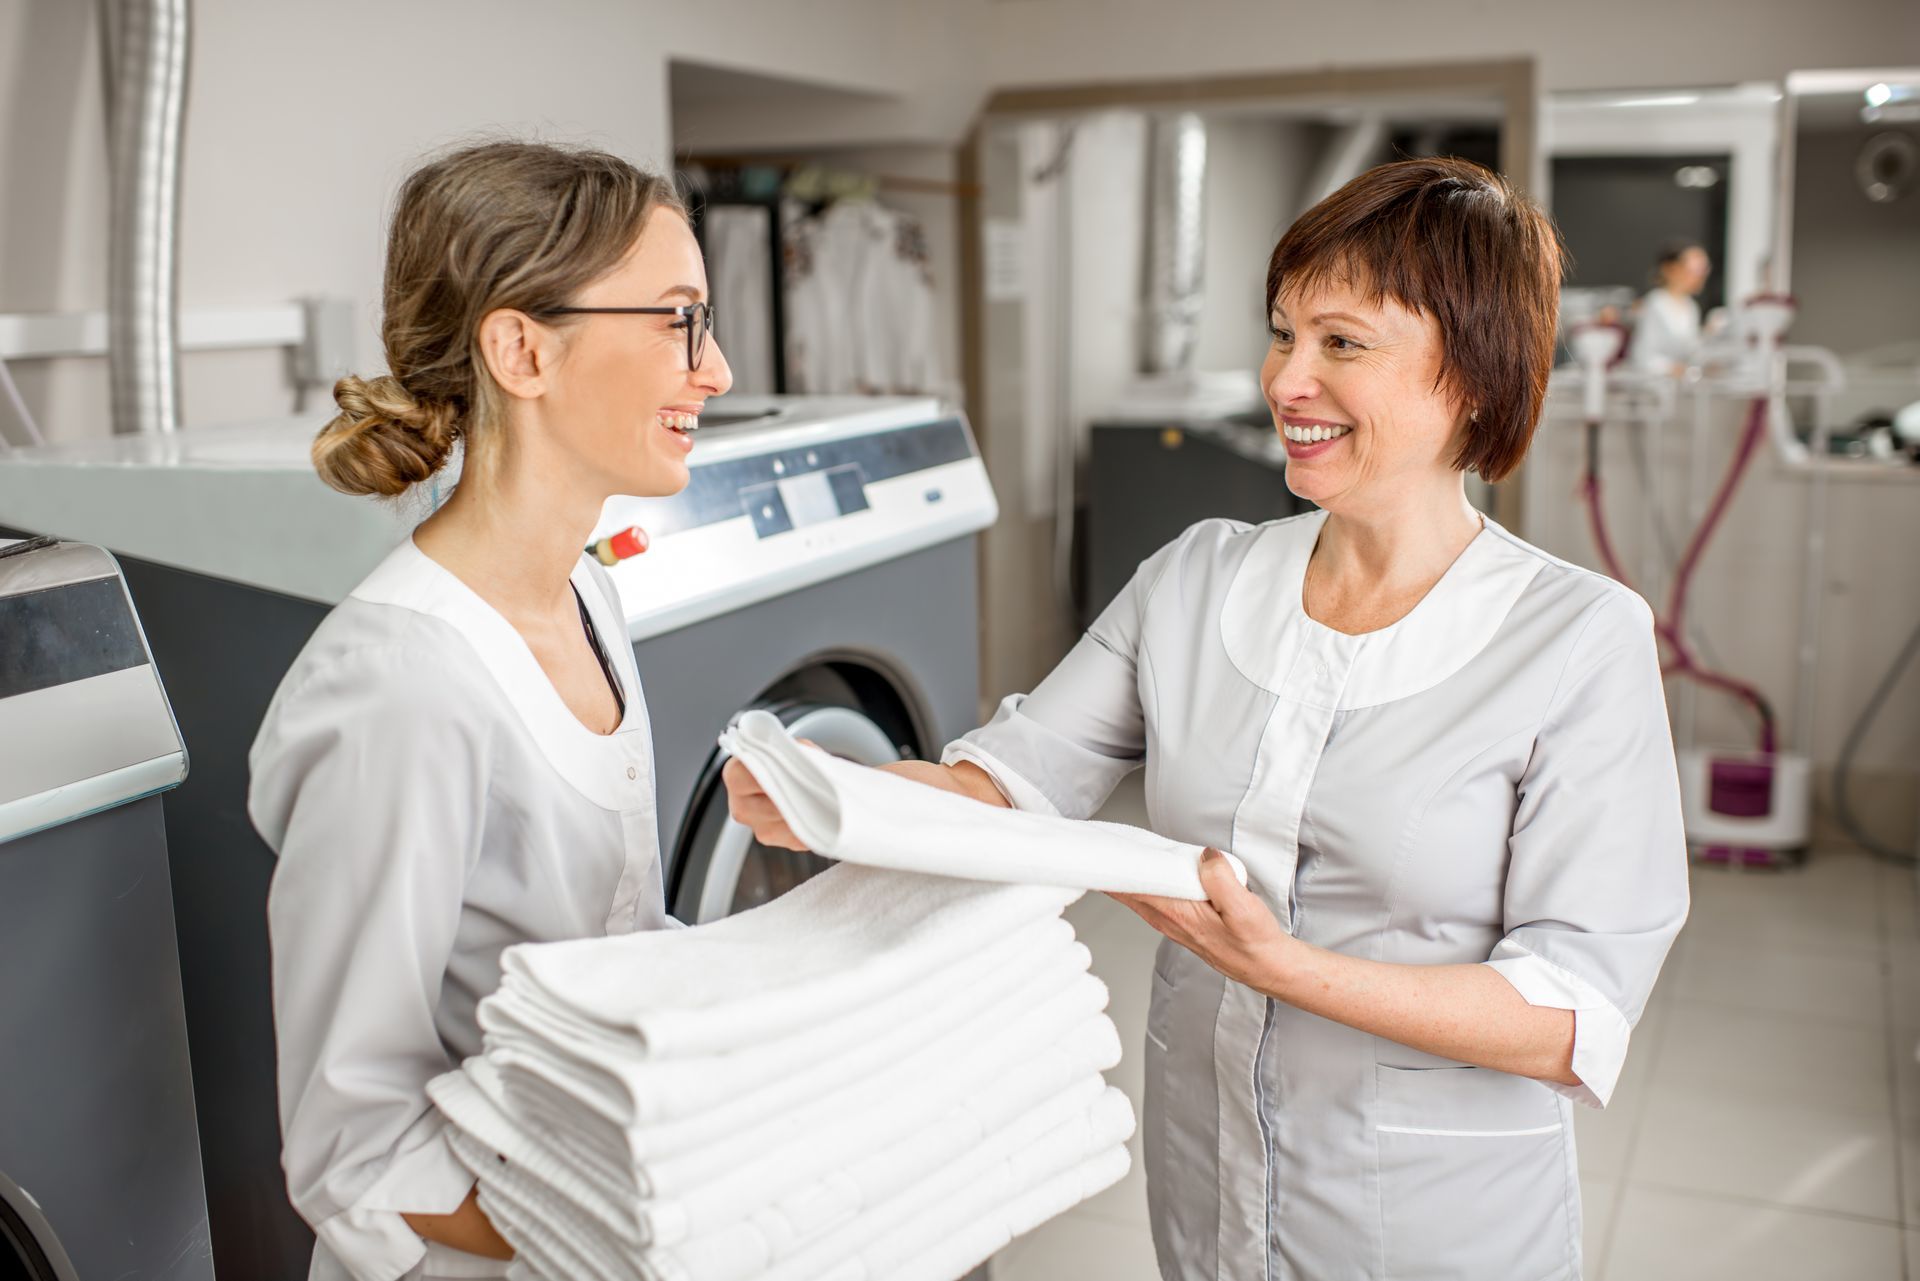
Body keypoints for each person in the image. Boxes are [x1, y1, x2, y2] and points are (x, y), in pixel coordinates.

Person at [726, 157, 1689, 1279]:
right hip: (1209, 1171)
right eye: (1283, 334)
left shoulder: (1576, 639)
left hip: (1430, 1216)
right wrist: (828, 792)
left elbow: (1570, 1012)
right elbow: (1011, 787)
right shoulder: (1197, 579)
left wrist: (1285, 967)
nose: (1287, 380)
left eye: (1343, 343)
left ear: (1473, 376)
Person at [249, 140, 731, 1280]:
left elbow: (615, 945)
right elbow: (352, 1143)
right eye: (679, 321)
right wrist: (624, 1217)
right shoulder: (398, 685)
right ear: (521, 348)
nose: (714, 371)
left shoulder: (588, 595)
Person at [1629, 240, 1712, 374]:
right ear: (1671, 268)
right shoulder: (1655, 303)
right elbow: (1642, 357)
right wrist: (1671, 369)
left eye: (1705, 268)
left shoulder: (1691, 306)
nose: (1701, 275)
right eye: (1696, 268)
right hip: (1654, 386)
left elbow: (1690, 351)